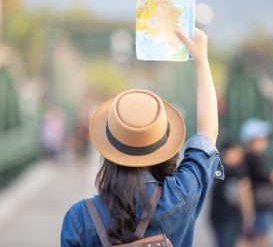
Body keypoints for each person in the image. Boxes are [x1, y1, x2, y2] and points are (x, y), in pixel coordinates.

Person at [60, 28, 224, 246]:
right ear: (164, 147)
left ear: (109, 148)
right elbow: (208, 131)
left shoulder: (79, 217)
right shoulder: (181, 196)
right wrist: (202, 61)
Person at [240, 118, 273, 247]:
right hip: (259, 203)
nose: (265, 141)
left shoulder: (250, 157)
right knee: (261, 237)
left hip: (256, 202)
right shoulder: (252, 157)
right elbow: (260, 176)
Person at [210, 141, 254, 247]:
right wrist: (248, 217)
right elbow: (244, 194)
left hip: (216, 215)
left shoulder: (216, 168)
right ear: (230, 152)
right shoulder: (238, 171)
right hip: (230, 217)